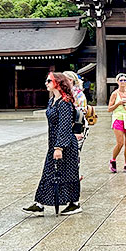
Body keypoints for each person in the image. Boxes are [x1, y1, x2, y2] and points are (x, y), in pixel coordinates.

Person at [23, 72, 81, 216]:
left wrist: (59, 147)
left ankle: (74, 203)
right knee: (48, 173)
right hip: (54, 143)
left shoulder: (65, 102)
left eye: (49, 80)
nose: (46, 83)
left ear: (58, 83)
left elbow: (65, 125)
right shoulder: (52, 101)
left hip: (65, 145)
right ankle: (40, 204)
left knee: (69, 174)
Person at [107, 73, 126, 173]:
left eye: (125, 80)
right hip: (118, 119)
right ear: (117, 82)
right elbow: (109, 109)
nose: (123, 82)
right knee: (120, 143)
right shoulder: (115, 94)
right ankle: (113, 160)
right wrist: (118, 103)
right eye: (121, 80)